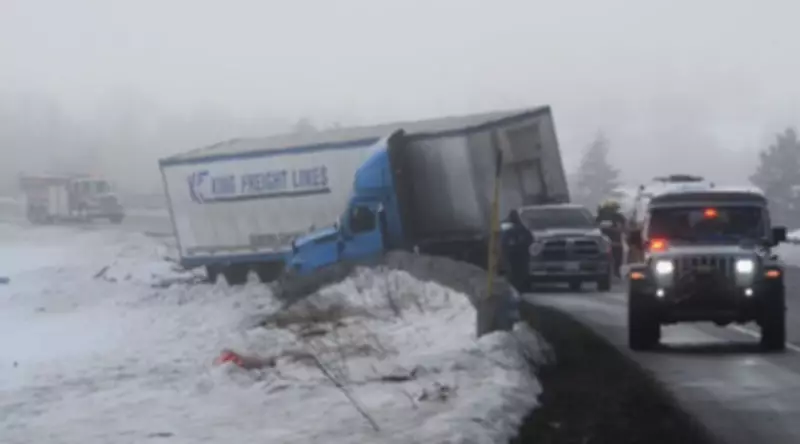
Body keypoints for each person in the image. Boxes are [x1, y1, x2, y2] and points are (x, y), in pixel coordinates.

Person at [501, 209, 534, 291]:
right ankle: (522, 286)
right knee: (521, 271)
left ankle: (516, 287)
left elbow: (504, 242)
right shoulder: (522, 229)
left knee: (514, 271)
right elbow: (530, 239)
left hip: (513, 254)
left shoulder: (507, 229)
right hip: (521, 254)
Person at [596, 200, 626, 277]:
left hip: (606, 242)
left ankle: (614, 271)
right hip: (613, 242)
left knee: (616, 257)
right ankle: (615, 271)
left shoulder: (600, 217)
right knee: (617, 258)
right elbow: (624, 227)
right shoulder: (619, 217)